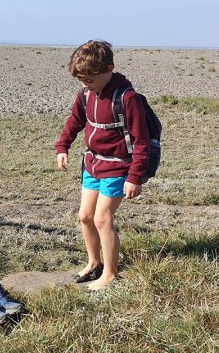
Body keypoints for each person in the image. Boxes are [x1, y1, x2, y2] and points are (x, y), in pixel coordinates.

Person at [55, 40, 150, 291]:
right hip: (93, 162)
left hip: (119, 167)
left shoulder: (128, 99)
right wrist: (63, 146)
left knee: (102, 218)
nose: (86, 86)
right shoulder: (86, 93)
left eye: (91, 80)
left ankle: (110, 274)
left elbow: (141, 141)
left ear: (109, 69)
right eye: (82, 81)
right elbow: (75, 121)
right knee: (85, 216)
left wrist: (135, 177)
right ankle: (94, 263)